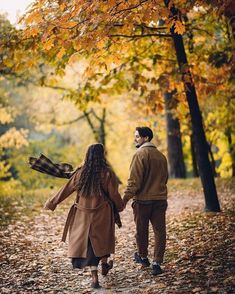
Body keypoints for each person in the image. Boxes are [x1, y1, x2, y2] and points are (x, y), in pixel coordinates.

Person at [44, 143, 124, 288]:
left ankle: (94, 277)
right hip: (102, 213)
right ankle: (105, 263)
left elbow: (66, 189)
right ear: (102, 155)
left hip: (83, 214)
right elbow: (114, 194)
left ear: (87, 155)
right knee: (103, 239)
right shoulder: (107, 173)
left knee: (88, 244)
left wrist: (52, 202)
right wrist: (120, 206)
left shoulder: (80, 173)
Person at [123, 127, 168, 275]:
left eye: (137, 136)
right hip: (160, 199)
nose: (135, 139)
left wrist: (124, 200)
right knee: (160, 231)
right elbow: (165, 178)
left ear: (146, 138)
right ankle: (157, 262)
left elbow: (133, 181)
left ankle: (143, 257)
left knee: (141, 230)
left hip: (143, 201)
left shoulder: (140, 154)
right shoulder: (161, 156)